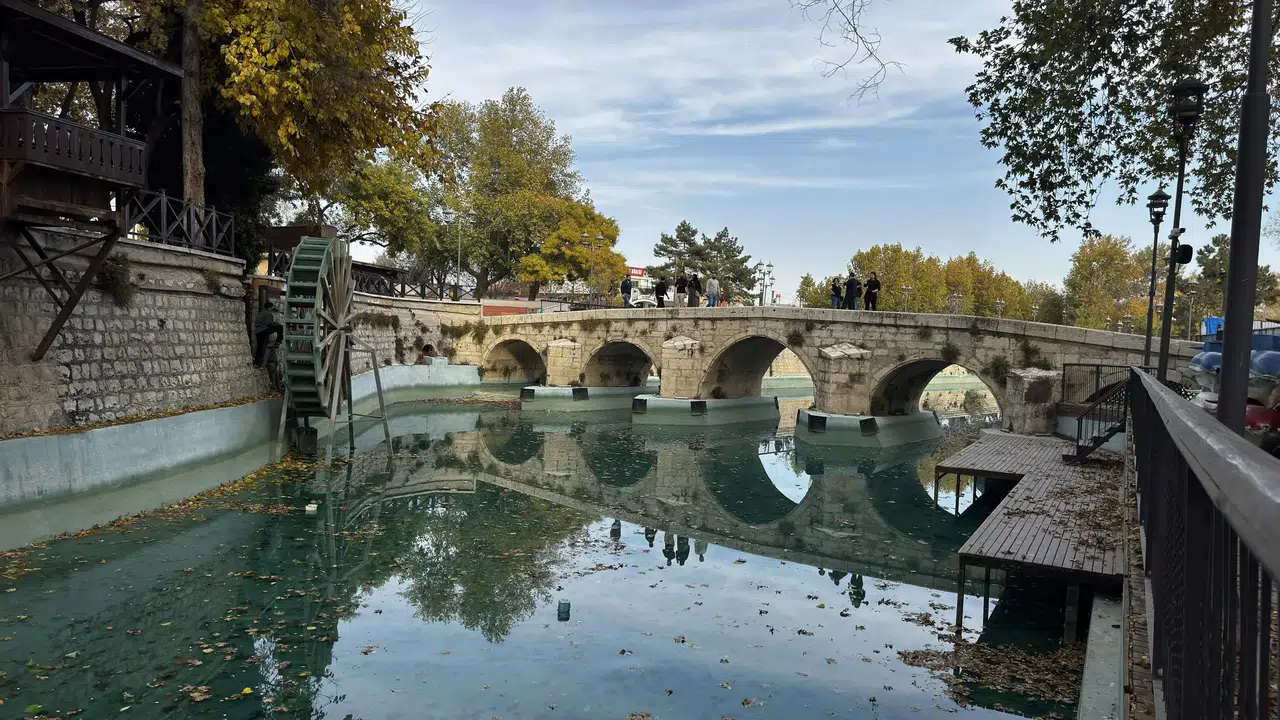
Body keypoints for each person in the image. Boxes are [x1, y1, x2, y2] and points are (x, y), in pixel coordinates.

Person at [253, 301, 284, 367]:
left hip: (257, 331)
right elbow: (270, 323)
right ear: (270, 307)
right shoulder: (268, 314)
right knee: (279, 327)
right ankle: (278, 341)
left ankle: (257, 362)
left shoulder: (261, 312)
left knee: (260, 347)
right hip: (263, 330)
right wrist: (277, 324)